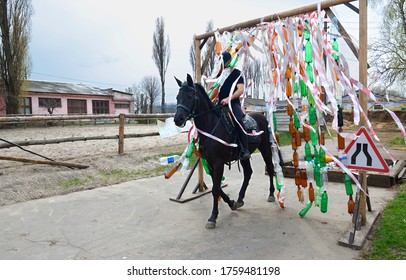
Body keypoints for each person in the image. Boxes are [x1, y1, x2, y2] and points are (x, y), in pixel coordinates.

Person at [217, 51, 250, 161]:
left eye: (223, 62)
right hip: (219, 104)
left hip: (233, 103)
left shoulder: (237, 73)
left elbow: (240, 90)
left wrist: (228, 99)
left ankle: (245, 149)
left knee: (238, 121)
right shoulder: (219, 74)